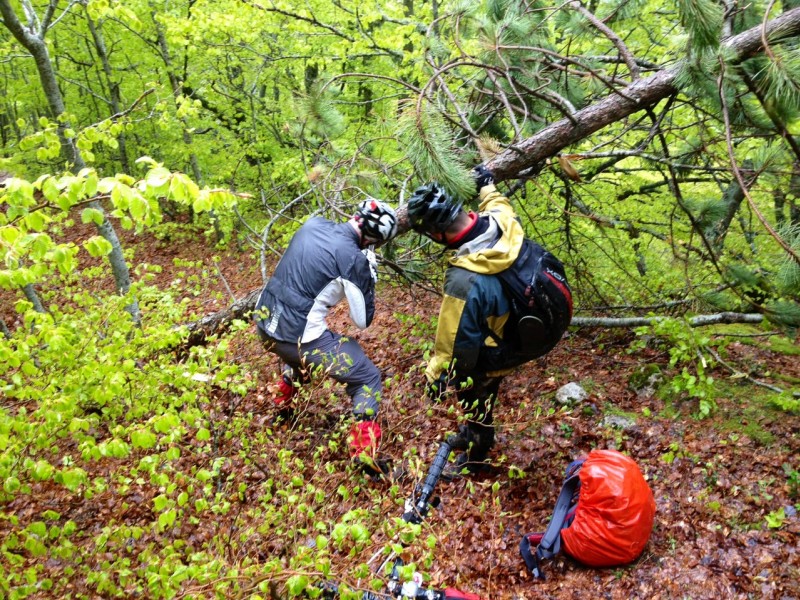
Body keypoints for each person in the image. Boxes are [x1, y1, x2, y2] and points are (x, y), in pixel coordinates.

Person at [407, 165, 572, 476]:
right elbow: (499, 204)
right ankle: (474, 430)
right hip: (540, 321)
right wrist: (486, 185)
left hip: (518, 338)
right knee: (480, 365)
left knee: (470, 378)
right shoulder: (500, 224)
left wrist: (437, 377)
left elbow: (455, 344)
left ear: (439, 234)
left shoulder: (464, 279)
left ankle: (476, 451)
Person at [254, 198, 397, 476]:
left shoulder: (313, 224)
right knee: (367, 377)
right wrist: (368, 276)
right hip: (294, 337)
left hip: (263, 322)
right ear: (374, 240)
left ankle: (282, 406)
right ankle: (364, 452)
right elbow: (362, 321)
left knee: (304, 352)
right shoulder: (353, 259)